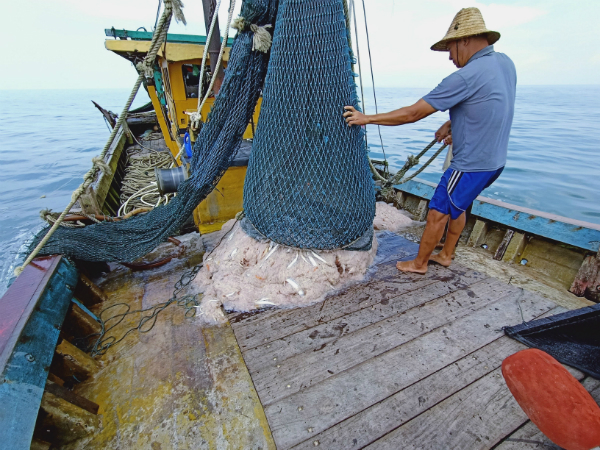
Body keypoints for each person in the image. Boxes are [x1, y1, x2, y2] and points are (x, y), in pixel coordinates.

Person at [343, 7, 516, 274]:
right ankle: (446, 254)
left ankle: (419, 263)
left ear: (465, 40)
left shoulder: (465, 76)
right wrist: (453, 123)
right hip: (495, 162)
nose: (449, 56)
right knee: (459, 205)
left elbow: (413, 113)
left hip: (470, 164)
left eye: (450, 47)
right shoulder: (505, 63)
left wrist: (366, 118)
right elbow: (491, 103)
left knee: (438, 209)